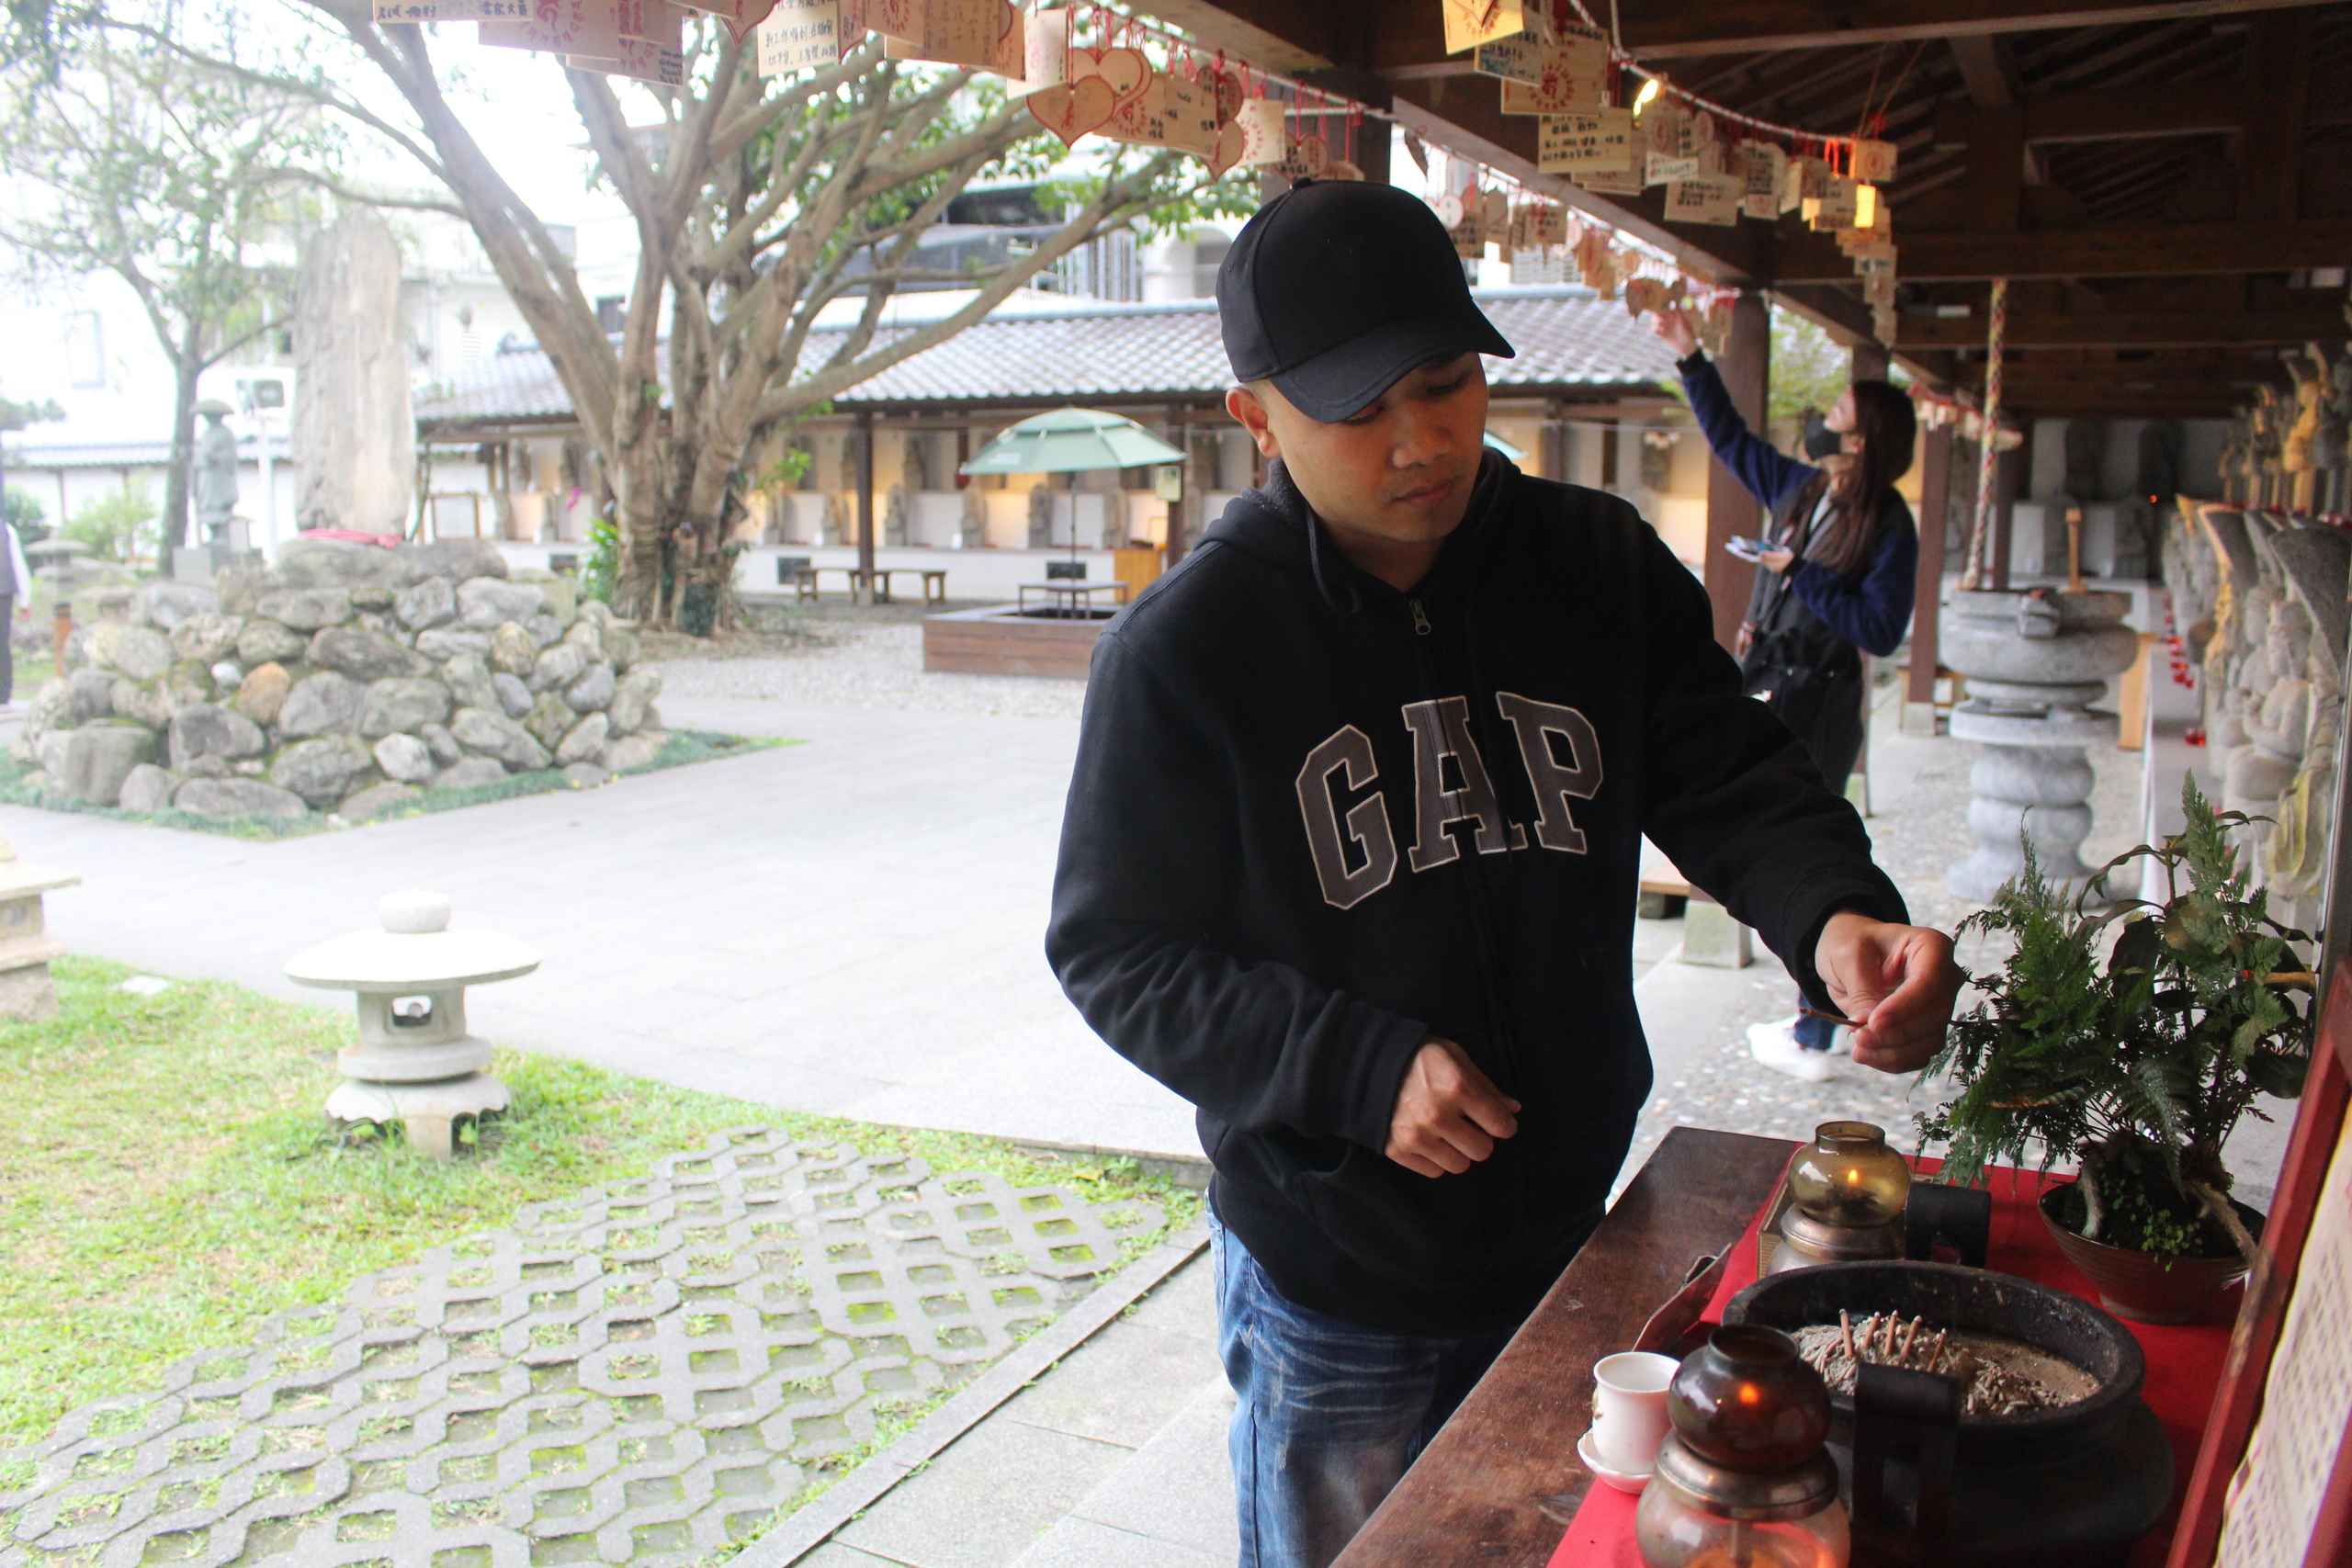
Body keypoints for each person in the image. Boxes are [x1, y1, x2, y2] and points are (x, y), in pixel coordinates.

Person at [1046, 180, 1961, 1568]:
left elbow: (1728, 771)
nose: (1421, 442)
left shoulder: (1593, 567)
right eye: (1360, 411)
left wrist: (1837, 913)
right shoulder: (1190, 650)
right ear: (1257, 415)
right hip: (1334, 1269)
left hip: (1568, 1228)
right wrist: (1355, 1069)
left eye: (1447, 382)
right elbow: (1118, 950)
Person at [1650, 304, 1920, 1082]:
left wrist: (1799, 574)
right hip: (1766, 680)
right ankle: (1817, 1015)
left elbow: (1880, 626)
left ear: (1862, 439)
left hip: (1823, 697)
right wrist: (1691, 357)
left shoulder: (1888, 526)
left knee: (1811, 842)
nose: (1822, 423)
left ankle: (1819, 1024)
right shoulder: (1804, 491)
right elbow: (1733, 442)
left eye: (1836, 416)